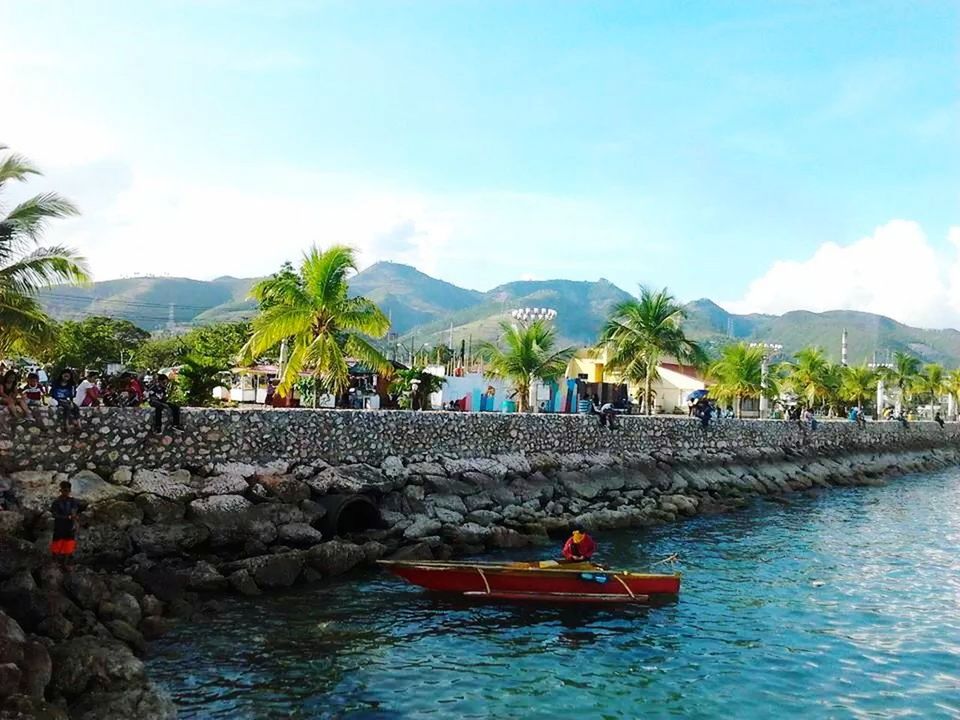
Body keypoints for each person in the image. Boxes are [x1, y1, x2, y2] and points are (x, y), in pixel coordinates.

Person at [50, 481, 85, 566]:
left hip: (69, 527)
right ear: (60, 490)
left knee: (68, 545)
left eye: (68, 491)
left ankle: (65, 563)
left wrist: (74, 518)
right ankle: (54, 562)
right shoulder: (56, 502)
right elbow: (55, 515)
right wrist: (68, 517)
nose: (66, 492)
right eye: (65, 490)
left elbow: (74, 511)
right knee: (57, 545)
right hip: (59, 527)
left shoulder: (72, 501)